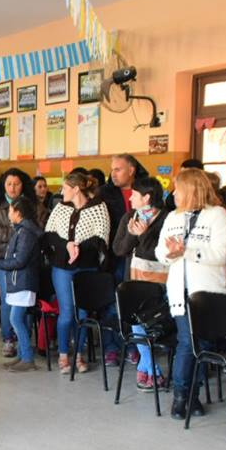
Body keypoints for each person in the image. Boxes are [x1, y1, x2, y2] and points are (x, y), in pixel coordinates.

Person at [156, 169, 226, 418]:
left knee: (203, 344)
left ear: (191, 190)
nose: (173, 194)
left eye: (177, 189)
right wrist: (170, 254)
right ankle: (180, 396)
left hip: (208, 292)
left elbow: (220, 254)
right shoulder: (172, 217)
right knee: (187, 342)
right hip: (179, 291)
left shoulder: (217, 214)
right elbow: (159, 252)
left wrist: (186, 251)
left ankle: (193, 395)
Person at [44, 172, 111, 375]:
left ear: (76, 189)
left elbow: (101, 238)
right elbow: (49, 235)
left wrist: (79, 247)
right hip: (62, 267)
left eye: (65, 188)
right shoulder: (60, 207)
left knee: (82, 314)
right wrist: (67, 245)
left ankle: (79, 354)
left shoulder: (98, 207)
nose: (61, 191)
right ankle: (63, 354)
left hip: (87, 268)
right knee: (66, 314)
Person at [112, 176, 170, 390]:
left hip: (161, 282)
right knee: (137, 325)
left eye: (134, 194)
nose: (130, 198)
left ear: (146, 197)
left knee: (153, 325)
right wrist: (132, 234)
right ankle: (152, 370)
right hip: (134, 280)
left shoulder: (168, 218)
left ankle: (145, 369)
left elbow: (161, 253)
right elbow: (119, 249)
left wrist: (144, 235)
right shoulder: (130, 217)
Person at [0, 168, 36, 358]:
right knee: (8, 299)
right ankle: (8, 339)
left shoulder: (31, 204)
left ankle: (24, 341)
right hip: (2, 257)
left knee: (24, 302)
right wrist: (16, 234)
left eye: (17, 184)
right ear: (3, 185)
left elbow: (39, 226)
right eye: (9, 184)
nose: (12, 188)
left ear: (23, 185)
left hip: (26, 260)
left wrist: (21, 234)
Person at [98, 154, 147, 364]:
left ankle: (132, 345)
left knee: (134, 304)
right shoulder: (104, 193)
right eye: (112, 169)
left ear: (131, 170)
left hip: (139, 258)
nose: (113, 174)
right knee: (111, 303)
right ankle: (111, 347)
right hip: (114, 257)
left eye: (118, 169)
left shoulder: (145, 190)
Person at [0, 197, 42, 372]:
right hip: (19, 281)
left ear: (18, 213)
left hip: (23, 282)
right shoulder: (21, 230)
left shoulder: (26, 233)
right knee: (19, 319)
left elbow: (20, 261)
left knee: (15, 319)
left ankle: (28, 358)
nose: (8, 214)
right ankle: (22, 355)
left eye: (10, 210)